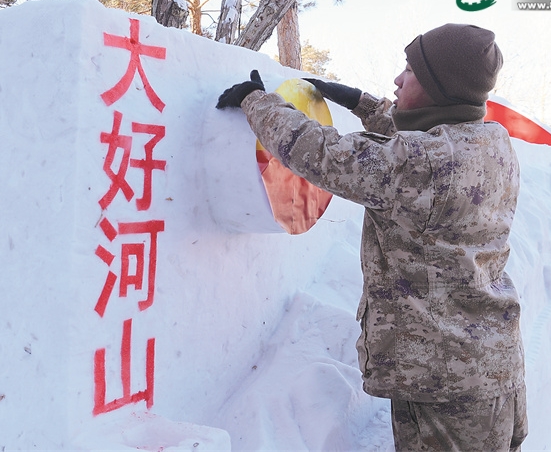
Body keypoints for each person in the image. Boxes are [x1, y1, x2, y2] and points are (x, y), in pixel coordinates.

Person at [216, 23, 528, 451]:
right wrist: (362, 104)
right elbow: (424, 147)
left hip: (444, 386)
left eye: (410, 71)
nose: (398, 80)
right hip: (490, 368)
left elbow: (322, 154)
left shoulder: (422, 163)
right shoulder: (491, 142)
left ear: (440, 89)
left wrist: (257, 101)